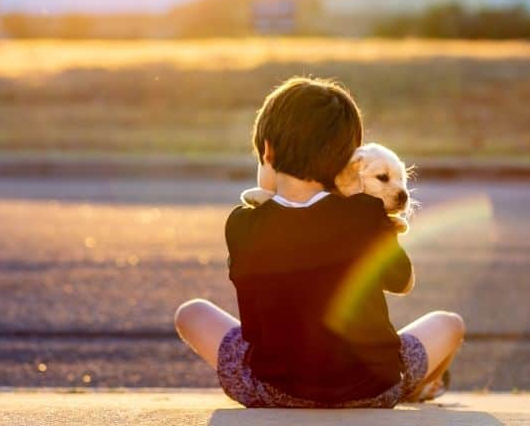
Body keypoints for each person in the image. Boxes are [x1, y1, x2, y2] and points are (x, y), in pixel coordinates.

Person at [174, 76, 464, 407]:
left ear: (267, 150)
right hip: (373, 389)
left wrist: (269, 197)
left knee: (191, 313)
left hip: (275, 389)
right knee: (449, 324)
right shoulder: (365, 217)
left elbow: (259, 311)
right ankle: (417, 386)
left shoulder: (241, 224)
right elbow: (402, 281)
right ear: (347, 160)